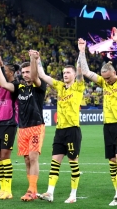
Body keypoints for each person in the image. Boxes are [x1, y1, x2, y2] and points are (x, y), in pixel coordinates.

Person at [79, 28, 117, 206]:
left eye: (108, 79)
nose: (106, 82)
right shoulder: (102, 81)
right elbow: (86, 72)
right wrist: (81, 51)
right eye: (104, 79)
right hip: (107, 126)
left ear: (114, 73)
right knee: (112, 160)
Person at [37, 43, 85, 203]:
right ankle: (50, 192)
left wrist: (81, 51)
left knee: (73, 163)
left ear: (73, 74)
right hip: (60, 131)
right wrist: (37, 60)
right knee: (55, 161)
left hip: (72, 130)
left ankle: (73, 194)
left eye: (68, 72)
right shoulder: (60, 87)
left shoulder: (78, 86)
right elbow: (43, 76)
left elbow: (80, 70)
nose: (65, 74)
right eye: (63, 72)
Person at [0, 51, 48, 202]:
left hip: (36, 126)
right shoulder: (19, 87)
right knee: (26, 159)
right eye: (24, 72)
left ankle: (31, 190)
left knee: (33, 157)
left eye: (28, 71)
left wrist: (33, 59)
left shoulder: (39, 85)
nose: (26, 74)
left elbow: (34, 77)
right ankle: (32, 189)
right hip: (23, 128)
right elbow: (3, 84)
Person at [0, 56, 19, 200]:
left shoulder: (15, 85)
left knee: (5, 156)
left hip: (9, 123)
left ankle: (8, 189)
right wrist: (0, 65)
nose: (1, 74)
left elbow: (3, 80)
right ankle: (2, 188)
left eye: (5, 71)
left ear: (11, 73)